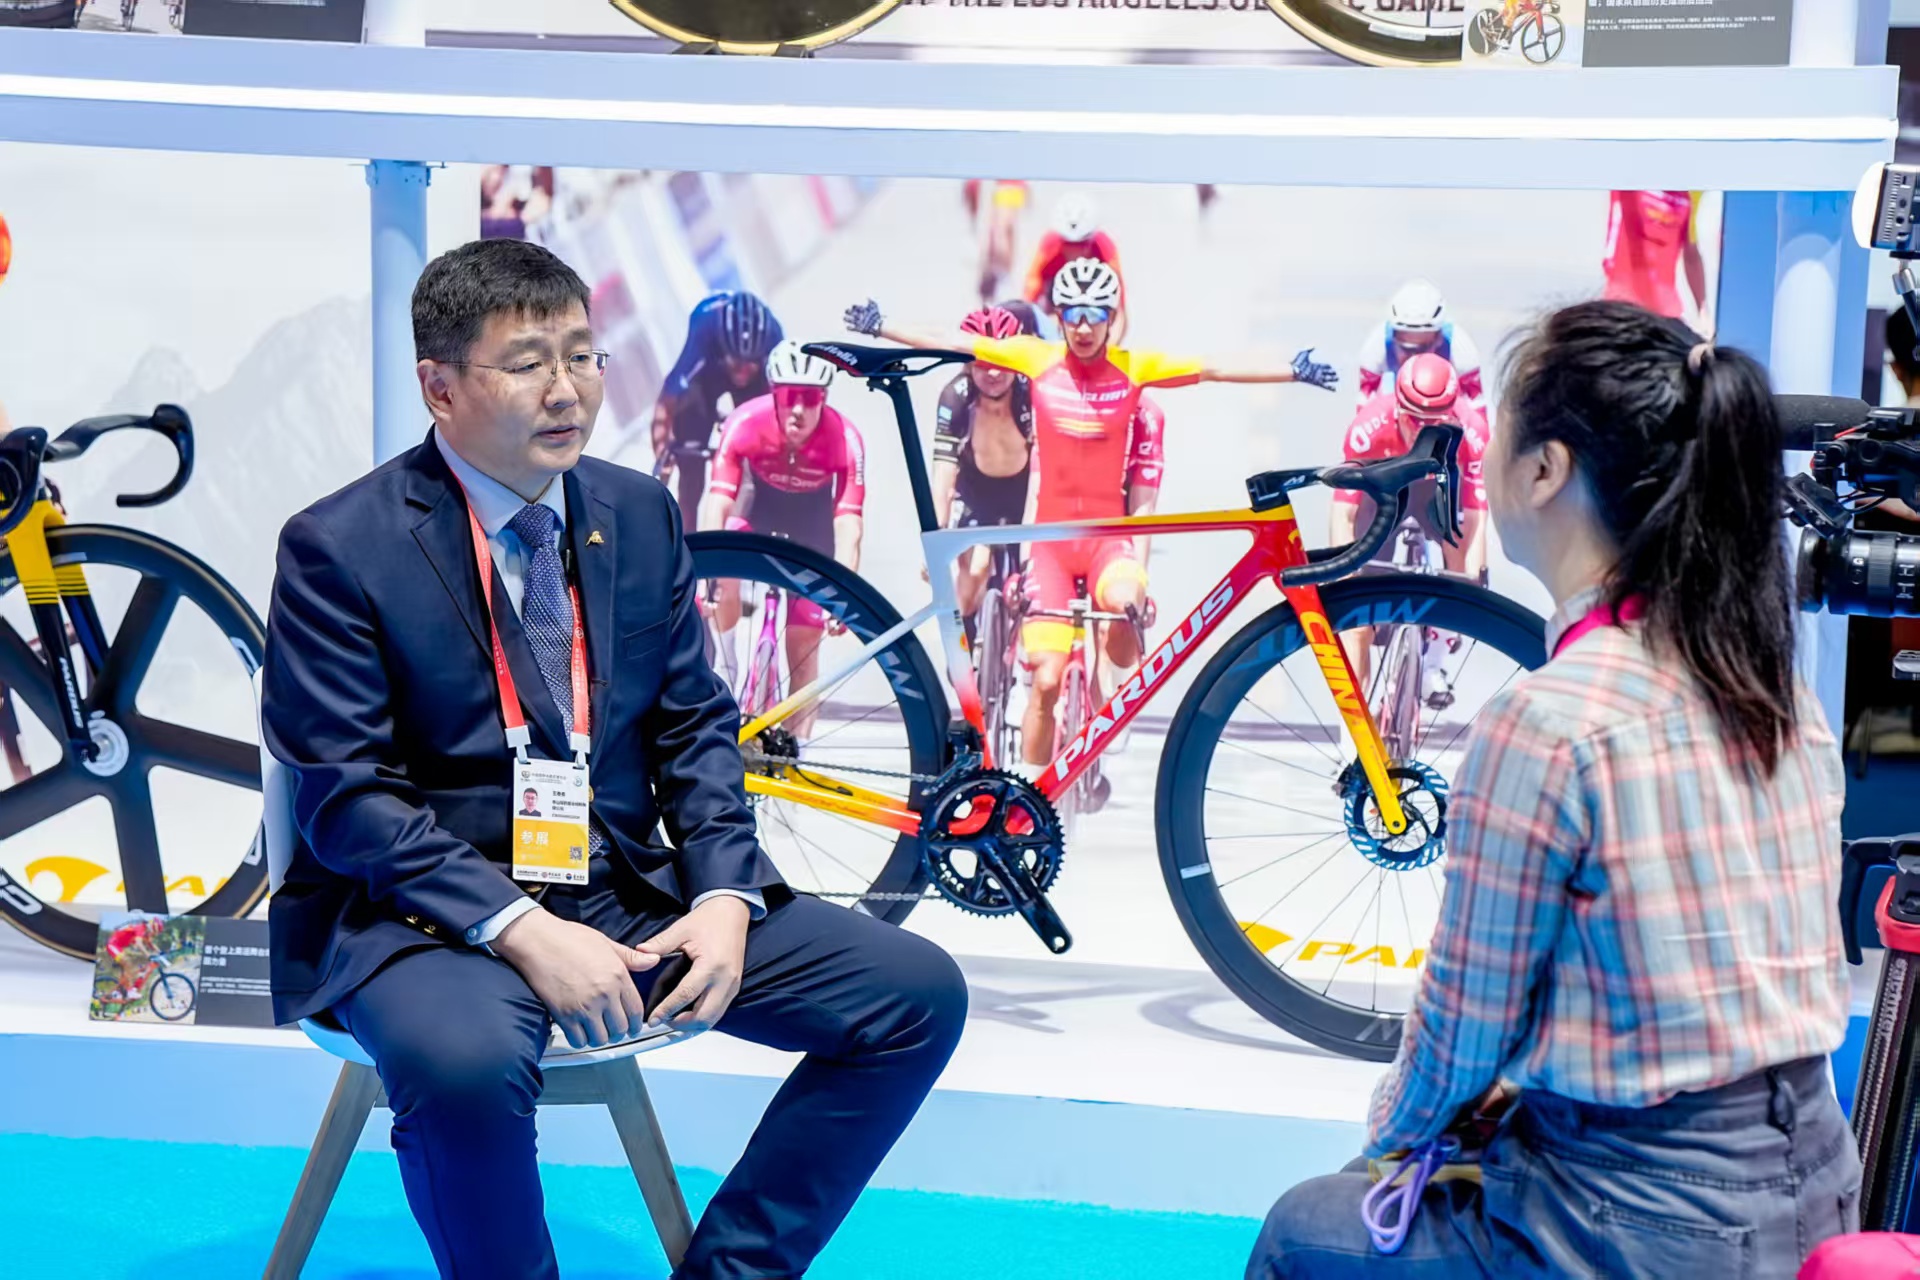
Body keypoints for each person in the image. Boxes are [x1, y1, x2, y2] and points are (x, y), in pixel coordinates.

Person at [263, 239, 965, 1280]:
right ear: (440, 387)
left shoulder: (638, 511)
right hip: (424, 917)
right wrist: (522, 930)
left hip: (619, 887)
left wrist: (724, 894)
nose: (568, 390)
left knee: (914, 995)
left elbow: (695, 726)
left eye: (583, 356)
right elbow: (349, 799)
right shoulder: (339, 545)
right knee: (464, 1066)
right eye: (528, 363)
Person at [1247, 300, 1858, 1279]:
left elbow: (1455, 1044)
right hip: (1818, 1184)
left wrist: (1384, 1145)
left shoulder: (1550, 723)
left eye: (1498, 433)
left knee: (1306, 1227)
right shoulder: (1773, 687)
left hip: (1645, 1218)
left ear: (1545, 471)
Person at [851, 257, 1338, 781]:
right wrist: (881, 326)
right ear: (1059, 317)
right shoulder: (1035, 358)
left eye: (1095, 314)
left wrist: (1293, 369)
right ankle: (1030, 791)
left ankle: (1109, 693)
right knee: (1045, 682)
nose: (1083, 327)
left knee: (1127, 608)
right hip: (1050, 549)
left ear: (1112, 316)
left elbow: (1214, 367)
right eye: (1072, 314)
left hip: (1109, 545)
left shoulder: (1135, 366)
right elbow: (953, 341)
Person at [697, 339, 865, 738]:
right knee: (725, 554)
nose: (798, 409)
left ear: (824, 399)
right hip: (758, 514)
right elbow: (717, 501)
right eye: (790, 397)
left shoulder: (845, 438)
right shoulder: (744, 422)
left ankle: (798, 749)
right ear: (774, 394)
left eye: (810, 398)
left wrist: (844, 591)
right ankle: (727, 659)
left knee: (804, 647)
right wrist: (706, 573)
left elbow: (849, 525)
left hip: (813, 531)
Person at [1330, 352, 1490, 690]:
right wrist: (1343, 576)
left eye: (1437, 423)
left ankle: (1434, 662)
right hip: (1385, 492)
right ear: (1398, 410)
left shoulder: (1474, 432)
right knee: (1356, 620)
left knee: (1461, 562)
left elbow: (1476, 516)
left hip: (1439, 490)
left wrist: (1472, 584)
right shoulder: (1368, 427)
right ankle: (1353, 716)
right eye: (1415, 420)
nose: (1425, 432)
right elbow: (1344, 512)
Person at [650, 290, 783, 524]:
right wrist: (663, 452)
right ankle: (687, 536)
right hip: (710, 377)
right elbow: (666, 402)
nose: (743, 372)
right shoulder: (705, 329)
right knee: (691, 472)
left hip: (756, 384)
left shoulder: (773, 336)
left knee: (762, 460)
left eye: (750, 364)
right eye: (738, 363)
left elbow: (782, 408)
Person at [1354, 278, 1486, 412]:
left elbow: (1476, 404)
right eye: (1406, 349)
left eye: (1423, 348)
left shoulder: (1462, 349)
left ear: (1439, 337)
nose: (1413, 358)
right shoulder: (1376, 347)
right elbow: (1365, 402)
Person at [1022, 194, 1129, 342]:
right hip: (1053, 300)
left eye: (1081, 245)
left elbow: (1121, 309)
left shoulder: (1105, 248)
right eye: (1068, 245)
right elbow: (1029, 299)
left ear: (1091, 239)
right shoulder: (1049, 246)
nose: (1074, 252)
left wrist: (1112, 346)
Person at [1602, 190, 1710, 328]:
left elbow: (1691, 255)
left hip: (1665, 310)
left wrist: (1702, 309)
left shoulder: (1689, 196)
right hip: (1623, 302)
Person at [964, 178, 1029, 306]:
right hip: (1001, 185)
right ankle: (1000, 278)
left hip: (1006, 186)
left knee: (1001, 231)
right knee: (1000, 231)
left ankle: (1002, 277)